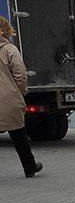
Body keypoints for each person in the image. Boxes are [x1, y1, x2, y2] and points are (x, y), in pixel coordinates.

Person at [0, 17, 42, 178]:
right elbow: (20, 74)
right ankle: (29, 167)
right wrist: (20, 91)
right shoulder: (9, 49)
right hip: (9, 98)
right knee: (18, 135)